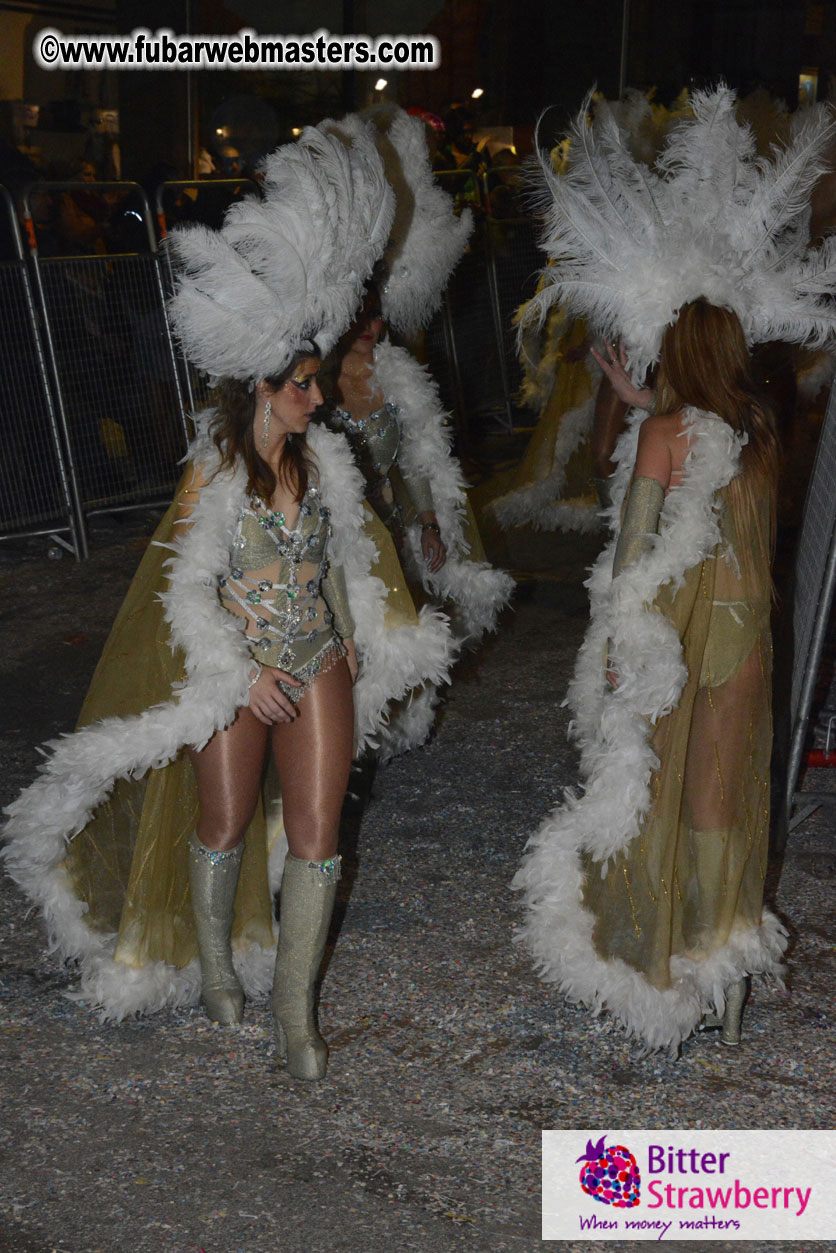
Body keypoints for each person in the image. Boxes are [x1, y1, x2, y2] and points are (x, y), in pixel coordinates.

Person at [2, 125, 453, 1081]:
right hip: (235, 671)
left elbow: (346, 561)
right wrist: (239, 676)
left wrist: (351, 635)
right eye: (302, 388)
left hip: (317, 654)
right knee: (226, 822)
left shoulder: (328, 463)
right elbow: (186, 586)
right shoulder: (211, 472)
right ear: (261, 386)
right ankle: (215, 970)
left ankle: (295, 1014)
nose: (315, 401)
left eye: (315, 386)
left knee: (320, 836)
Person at [513, 86, 836, 1053]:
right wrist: (642, 393)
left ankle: (662, 966)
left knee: (657, 794)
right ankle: (727, 981)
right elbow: (706, 440)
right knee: (724, 804)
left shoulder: (663, 434)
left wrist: (616, 648)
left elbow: (631, 559)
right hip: (748, 635)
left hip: (679, 635)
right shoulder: (761, 428)